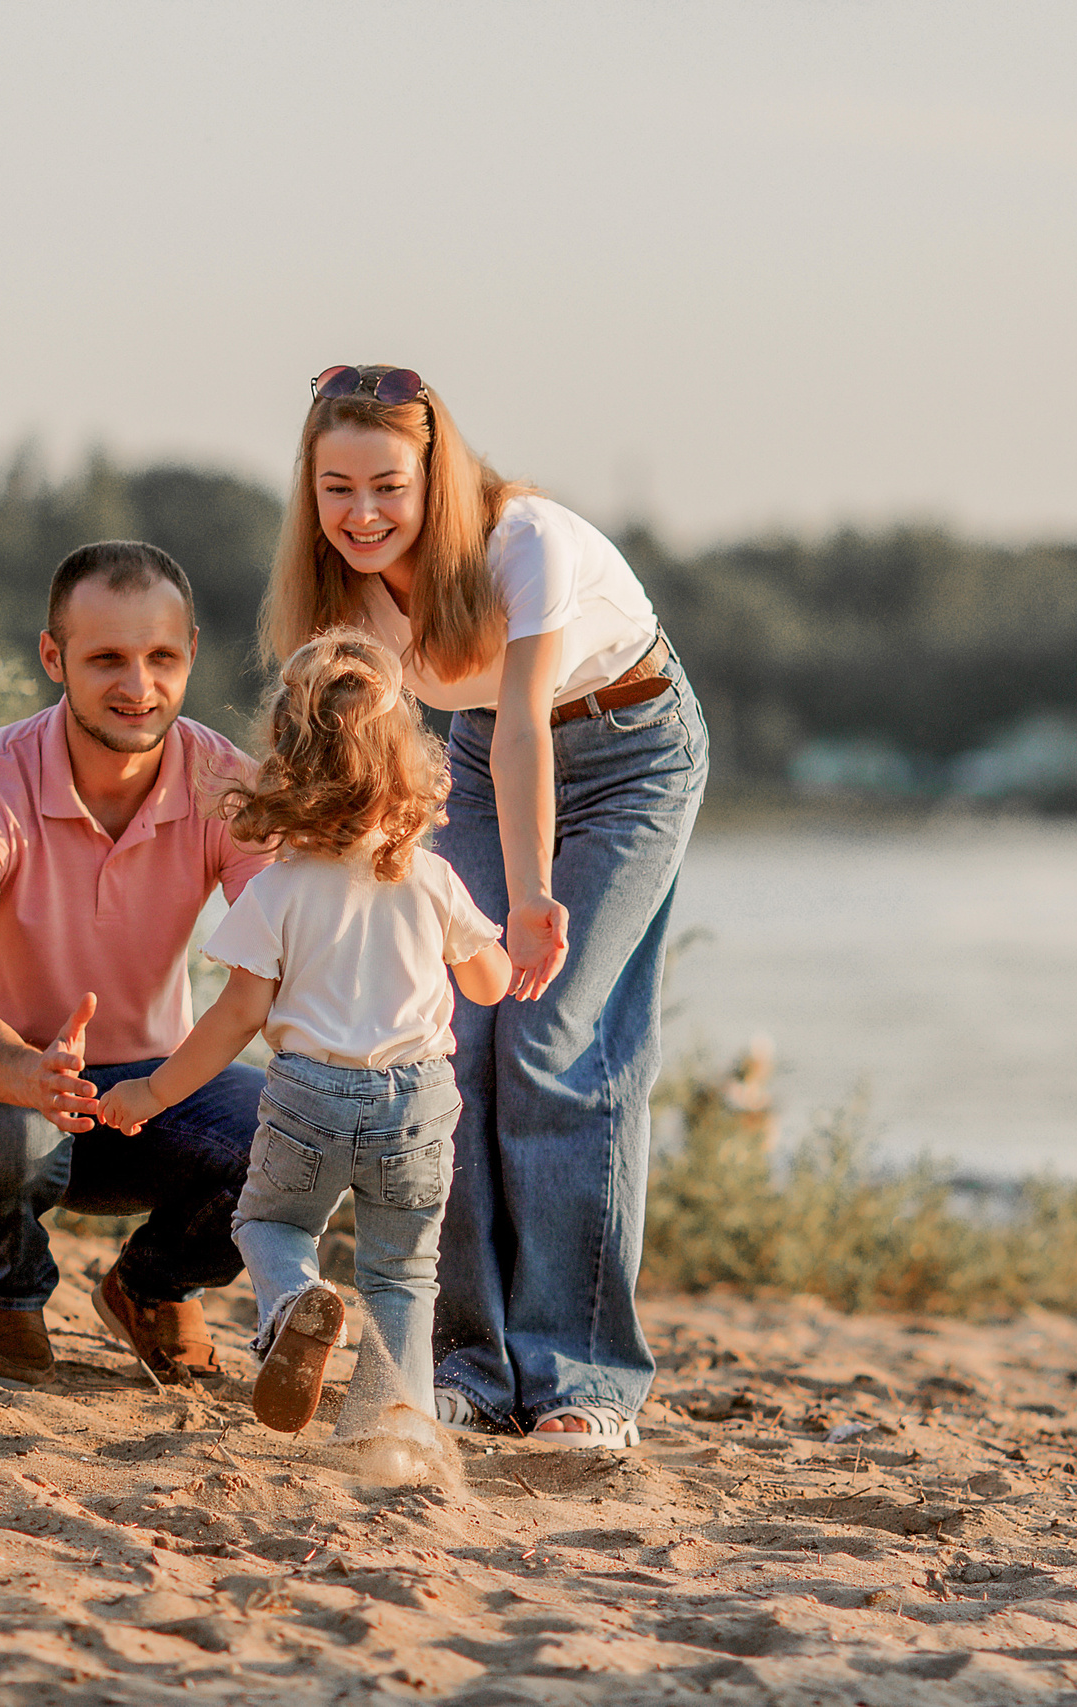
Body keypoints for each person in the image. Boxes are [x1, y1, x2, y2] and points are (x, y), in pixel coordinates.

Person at [261, 366, 709, 1448]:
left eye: (386, 486)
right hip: (482, 757)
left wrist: (535, 901)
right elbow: (346, 749)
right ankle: (468, 1362)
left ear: (435, 478)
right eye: (336, 488)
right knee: (442, 1037)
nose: (361, 513)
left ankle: (585, 1381)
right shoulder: (332, 591)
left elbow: (524, 734)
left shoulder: (524, 544)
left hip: (628, 754)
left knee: (553, 1040)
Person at [98, 629, 510, 1434]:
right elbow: (489, 982)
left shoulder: (279, 892)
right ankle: (391, 1427)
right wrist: (502, 947)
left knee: (272, 1222)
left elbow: (236, 1016)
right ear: (407, 769)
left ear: (285, 767)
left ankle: (292, 1302)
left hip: (310, 1096)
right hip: (419, 1099)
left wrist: (151, 1090)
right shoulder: (432, 878)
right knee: (402, 1274)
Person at [0, 541, 270, 1390]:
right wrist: (32, 1073)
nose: (139, 685)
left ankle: (151, 1287)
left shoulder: (224, 785)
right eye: (107, 659)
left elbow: (292, 959)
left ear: (192, 651)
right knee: (13, 1128)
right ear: (53, 656)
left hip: (144, 1094)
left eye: (162, 657)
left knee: (293, 1126)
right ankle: (9, 1294)